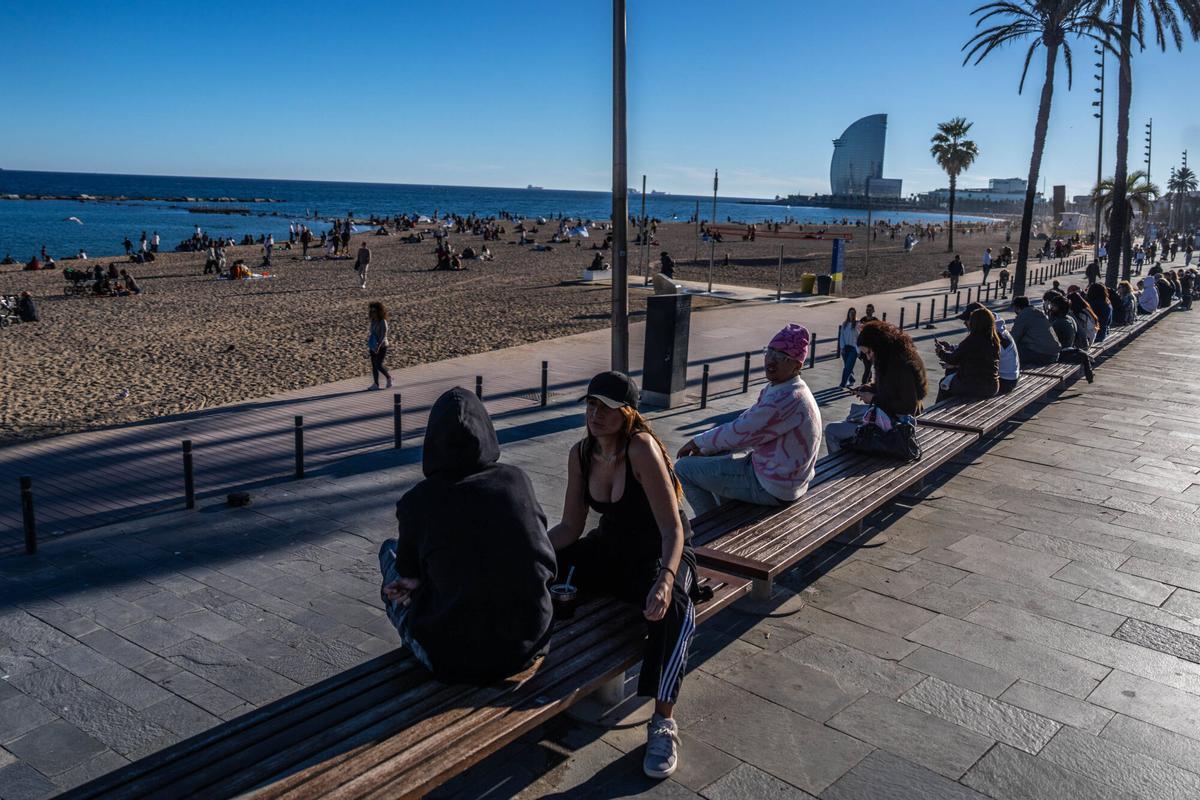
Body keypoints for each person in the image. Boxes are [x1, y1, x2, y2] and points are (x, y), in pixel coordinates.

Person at [548, 371, 704, 779]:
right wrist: (530, 552)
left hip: (661, 553)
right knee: (550, 570)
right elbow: (569, 528)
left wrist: (666, 580)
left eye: (607, 407)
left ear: (628, 414)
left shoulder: (640, 448)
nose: (595, 414)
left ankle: (663, 721)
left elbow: (672, 530)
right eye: (591, 404)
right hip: (611, 549)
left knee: (675, 611)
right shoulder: (581, 453)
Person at [380, 387, 556, 684]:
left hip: (454, 659)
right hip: (529, 641)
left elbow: (408, 574)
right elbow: (545, 561)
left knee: (389, 551)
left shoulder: (417, 502)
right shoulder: (517, 482)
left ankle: (414, 645)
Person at [674, 324, 821, 516]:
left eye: (782, 357)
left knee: (683, 468)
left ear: (797, 366)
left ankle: (710, 526)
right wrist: (706, 448)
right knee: (713, 456)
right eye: (770, 352)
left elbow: (741, 431)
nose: (772, 360)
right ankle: (722, 517)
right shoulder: (791, 389)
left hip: (772, 485)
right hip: (788, 480)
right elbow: (749, 423)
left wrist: (697, 442)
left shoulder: (786, 399)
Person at [824, 321, 927, 454]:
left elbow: (909, 406)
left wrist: (873, 399)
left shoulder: (901, 365)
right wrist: (868, 388)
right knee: (853, 416)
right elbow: (889, 387)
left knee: (831, 430)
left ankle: (842, 465)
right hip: (890, 419)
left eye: (868, 352)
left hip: (898, 427)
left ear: (878, 346)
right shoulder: (892, 357)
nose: (868, 358)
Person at [934, 306, 1000, 403]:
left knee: (944, 383)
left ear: (974, 323)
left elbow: (952, 359)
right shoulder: (994, 340)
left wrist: (941, 352)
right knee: (952, 378)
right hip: (992, 386)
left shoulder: (972, 340)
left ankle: (938, 410)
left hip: (975, 387)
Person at [1009, 295, 1061, 367]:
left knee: (1010, 350)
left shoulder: (1024, 315)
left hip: (1042, 355)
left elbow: (1013, 338)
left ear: (1017, 308)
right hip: (1054, 354)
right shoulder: (1038, 313)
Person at [365, 302, 393, 390]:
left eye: (374, 311)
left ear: (379, 311)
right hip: (373, 345)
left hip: (382, 346)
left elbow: (383, 335)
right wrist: (372, 344)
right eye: (371, 311)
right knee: (374, 366)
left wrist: (378, 346)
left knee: (378, 365)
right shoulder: (373, 321)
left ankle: (388, 377)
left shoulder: (383, 322)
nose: (372, 313)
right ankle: (376, 384)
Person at [837, 308, 859, 388]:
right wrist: (842, 347)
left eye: (853, 313)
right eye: (850, 313)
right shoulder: (844, 324)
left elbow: (859, 337)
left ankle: (843, 383)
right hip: (845, 348)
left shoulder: (857, 324)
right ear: (848, 314)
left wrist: (858, 350)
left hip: (853, 349)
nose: (852, 315)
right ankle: (852, 379)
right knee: (847, 366)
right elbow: (842, 336)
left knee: (847, 367)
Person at [858, 304, 878, 383]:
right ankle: (868, 381)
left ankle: (864, 383)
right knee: (867, 367)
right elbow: (859, 332)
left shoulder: (876, 321)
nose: (868, 311)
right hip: (864, 348)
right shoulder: (863, 319)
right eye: (867, 310)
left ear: (873, 311)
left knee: (868, 367)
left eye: (870, 310)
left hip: (872, 348)